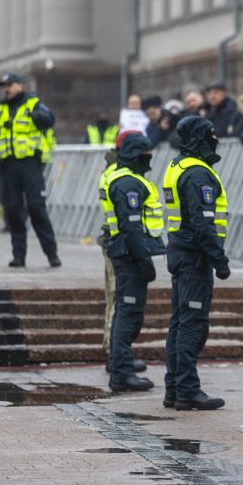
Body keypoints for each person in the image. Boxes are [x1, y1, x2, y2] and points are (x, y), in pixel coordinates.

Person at [162, 116, 231, 410]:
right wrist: (220, 260)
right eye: (211, 134)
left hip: (180, 251)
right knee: (192, 326)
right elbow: (203, 224)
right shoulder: (197, 174)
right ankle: (187, 390)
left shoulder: (178, 166)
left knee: (179, 324)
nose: (215, 139)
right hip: (194, 257)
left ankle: (175, 389)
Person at [99, 132, 166, 392]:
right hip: (129, 256)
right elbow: (132, 227)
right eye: (146, 153)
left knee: (127, 313)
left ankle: (122, 365)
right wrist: (144, 260)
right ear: (135, 154)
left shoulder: (128, 178)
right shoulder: (127, 183)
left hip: (127, 253)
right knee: (128, 314)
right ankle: (121, 372)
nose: (149, 157)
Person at [0, 73, 60, 268]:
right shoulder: (1, 109)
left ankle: (52, 253)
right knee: (12, 212)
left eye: (9, 85)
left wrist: (37, 116)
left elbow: (49, 120)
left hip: (29, 164)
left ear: (19, 85)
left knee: (36, 208)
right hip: (8, 167)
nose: (6, 89)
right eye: (4, 86)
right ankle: (18, 256)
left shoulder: (33, 103)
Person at [98, 131, 148, 376]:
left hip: (118, 243)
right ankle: (116, 356)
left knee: (119, 302)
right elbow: (128, 221)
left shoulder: (114, 172)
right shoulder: (122, 177)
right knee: (120, 302)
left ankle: (119, 356)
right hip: (121, 246)